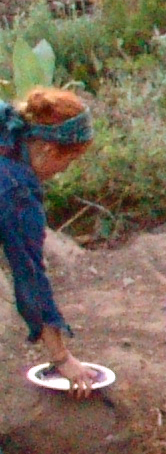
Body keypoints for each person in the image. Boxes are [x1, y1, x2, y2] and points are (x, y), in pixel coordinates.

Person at [2, 83, 95, 390]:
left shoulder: (8, 125)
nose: (61, 172)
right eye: (66, 162)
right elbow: (29, 273)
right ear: (48, 148)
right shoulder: (15, 188)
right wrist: (61, 357)